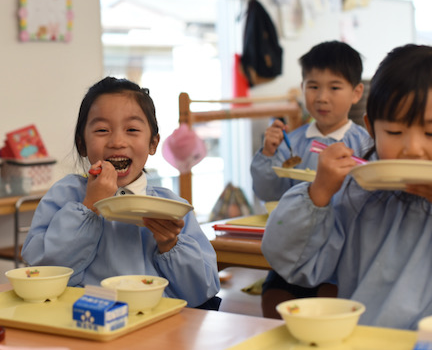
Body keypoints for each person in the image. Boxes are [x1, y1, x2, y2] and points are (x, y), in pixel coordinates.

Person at [262, 44, 432, 330]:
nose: (413, 149)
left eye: (430, 132)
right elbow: (296, 264)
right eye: (394, 132)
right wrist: (319, 193)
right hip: (360, 342)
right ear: (370, 128)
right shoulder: (360, 192)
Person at [21, 76, 221, 309]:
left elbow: (201, 292)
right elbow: (43, 272)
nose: (117, 141)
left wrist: (170, 244)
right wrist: (89, 206)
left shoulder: (171, 207)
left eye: (132, 129)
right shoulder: (65, 195)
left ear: (153, 144)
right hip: (83, 322)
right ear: (82, 144)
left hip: (155, 327)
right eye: (102, 129)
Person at [250, 40, 372, 317]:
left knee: (333, 308)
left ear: (356, 92)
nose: (322, 97)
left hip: (343, 256)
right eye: (313, 86)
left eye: (334, 87)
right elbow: (269, 192)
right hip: (295, 245)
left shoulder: (365, 145)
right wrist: (268, 155)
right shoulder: (290, 142)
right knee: (275, 304)